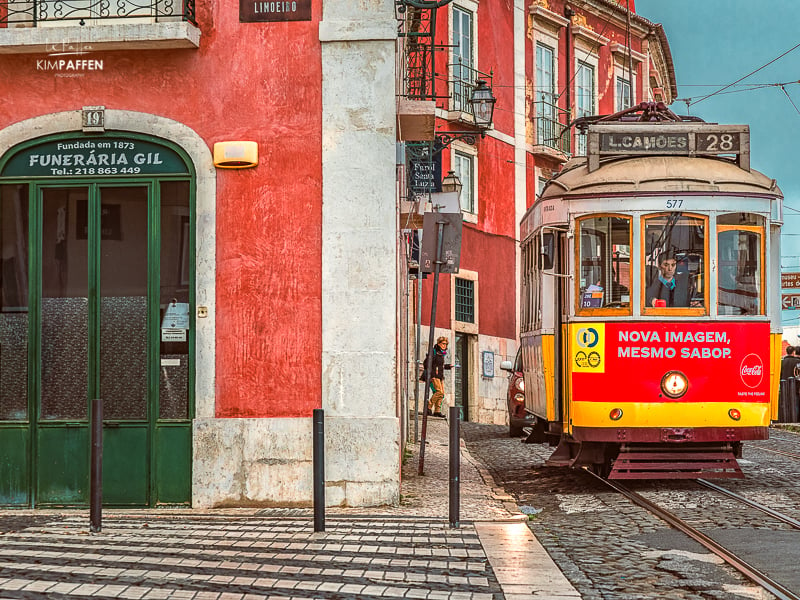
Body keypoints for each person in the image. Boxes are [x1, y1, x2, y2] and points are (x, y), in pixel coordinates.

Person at [422, 336, 452, 418]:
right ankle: (428, 406)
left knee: (442, 395)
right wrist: (431, 375)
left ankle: (437, 411)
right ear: (439, 344)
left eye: (446, 344)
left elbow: (440, 366)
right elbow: (427, 364)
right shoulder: (434, 351)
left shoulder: (441, 353)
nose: (444, 345)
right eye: (443, 344)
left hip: (440, 376)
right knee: (439, 392)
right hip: (434, 376)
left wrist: (448, 366)